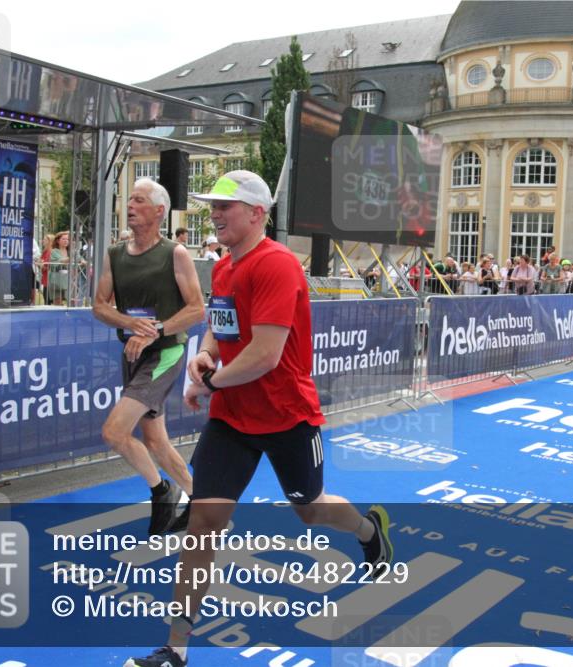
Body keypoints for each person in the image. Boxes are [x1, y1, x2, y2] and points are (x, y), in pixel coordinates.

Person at [124, 171, 392, 667]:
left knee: (310, 509)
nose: (216, 213)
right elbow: (218, 330)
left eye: (227, 205)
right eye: (213, 205)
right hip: (232, 420)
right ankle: (175, 650)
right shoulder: (224, 268)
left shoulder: (278, 266)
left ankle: (368, 531)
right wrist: (204, 357)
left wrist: (207, 381)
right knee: (203, 524)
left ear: (258, 214)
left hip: (287, 415)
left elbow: (265, 355)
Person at [93, 178, 202, 536]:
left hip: (165, 353)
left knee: (114, 431)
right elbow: (99, 305)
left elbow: (197, 310)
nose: (130, 205)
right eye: (129, 199)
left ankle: (162, 491)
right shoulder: (115, 254)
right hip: (132, 352)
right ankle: (198, 499)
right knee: (155, 440)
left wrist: (156, 330)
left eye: (139, 200)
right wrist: (130, 323)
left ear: (159, 211)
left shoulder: (175, 253)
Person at [48, 231, 71, 306]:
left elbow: (80, 258)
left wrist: (83, 261)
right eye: (63, 239)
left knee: (71, 301)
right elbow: (59, 261)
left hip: (68, 281)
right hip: (56, 281)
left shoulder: (71, 251)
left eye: (67, 239)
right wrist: (69, 259)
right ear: (58, 241)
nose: (66, 241)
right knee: (58, 302)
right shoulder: (54, 251)